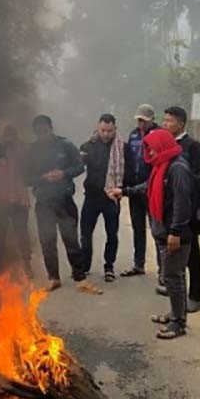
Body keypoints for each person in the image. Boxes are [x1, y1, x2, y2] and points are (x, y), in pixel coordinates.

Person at [109, 129, 194, 339]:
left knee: (173, 277)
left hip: (175, 234)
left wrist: (175, 232)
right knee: (175, 276)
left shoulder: (178, 169)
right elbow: (148, 187)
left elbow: (182, 204)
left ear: (163, 146)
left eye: (153, 149)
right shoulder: (161, 167)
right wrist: (125, 191)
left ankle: (178, 324)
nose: (150, 154)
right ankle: (176, 313)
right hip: (164, 232)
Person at [25, 114, 103, 295]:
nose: (42, 135)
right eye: (38, 132)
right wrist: (43, 177)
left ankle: (80, 277)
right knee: (47, 241)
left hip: (64, 201)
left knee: (71, 240)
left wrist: (64, 173)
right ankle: (54, 278)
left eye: (45, 131)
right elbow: (25, 178)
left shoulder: (65, 145)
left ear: (51, 129)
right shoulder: (32, 151)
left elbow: (79, 166)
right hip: (43, 202)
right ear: (35, 133)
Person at [161, 107, 200, 313]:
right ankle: (176, 288)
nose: (165, 124)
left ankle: (195, 295)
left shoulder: (192, 146)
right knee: (176, 254)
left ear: (180, 124)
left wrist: (194, 209)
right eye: (164, 120)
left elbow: (197, 179)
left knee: (192, 253)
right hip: (171, 207)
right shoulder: (167, 145)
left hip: (188, 207)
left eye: (169, 121)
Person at [79, 114, 124, 283]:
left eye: (109, 131)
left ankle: (109, 266)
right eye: (103, 130)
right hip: (91, 197)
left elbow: (129, 170)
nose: (106, 134)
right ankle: (84, 265)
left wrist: (124, 190)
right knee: (85, 233)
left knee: (112, 234)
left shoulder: (121, 148)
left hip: (111, 198)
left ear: (115, 129)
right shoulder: (87, 146)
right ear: (98, 128)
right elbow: (76, 167)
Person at [121, 104, 162, 283]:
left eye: (144, 121)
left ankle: (163, 270)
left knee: (157, 230)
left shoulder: (160, 135)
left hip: (153, 190)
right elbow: (129, 159)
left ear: (152, 119)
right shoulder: (134, 134)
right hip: (134, 189)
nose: (141, 124)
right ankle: (139, 264)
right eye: (139, 120)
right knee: (138, 228)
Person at [0, 124, 33, 278]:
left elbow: (30, 171)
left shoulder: (23, 150)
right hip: (0, 201)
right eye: (7, 135)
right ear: (3, 136)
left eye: (12, 135)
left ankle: (27, 264)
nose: (9, 138)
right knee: (0, 235)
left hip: (19, 200)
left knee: (22, 233)